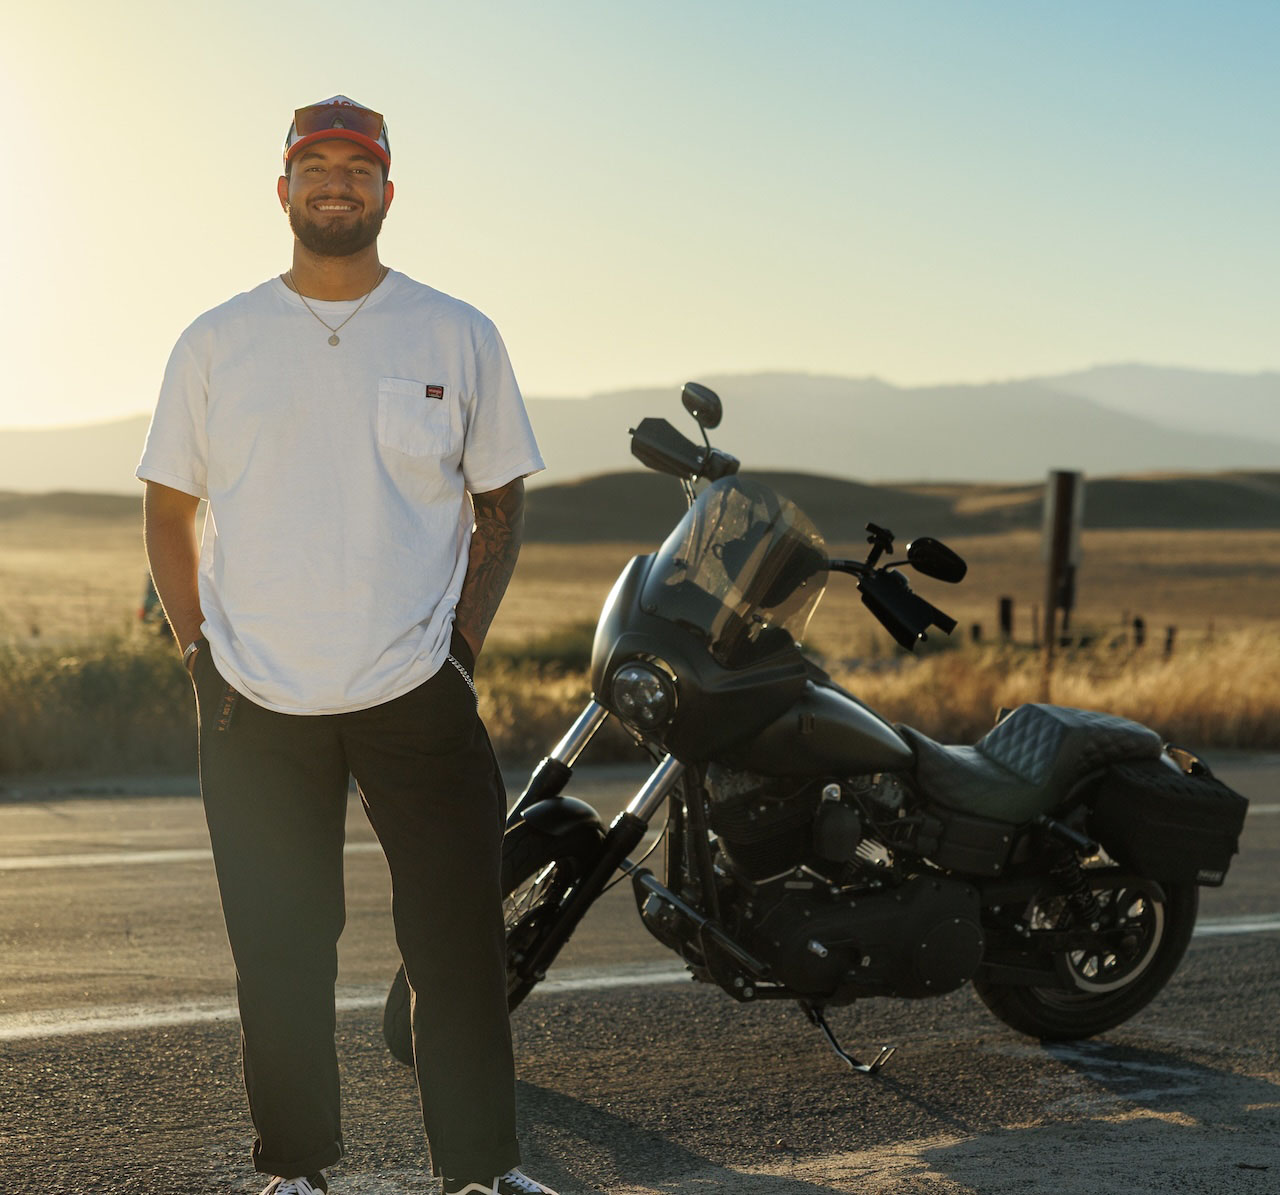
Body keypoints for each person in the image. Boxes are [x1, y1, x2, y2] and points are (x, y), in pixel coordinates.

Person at [138, 95, 556, 1195]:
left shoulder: (454, 332)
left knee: (458, 946)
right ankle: (295, 1173)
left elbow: (498, 504)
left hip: (416, 684)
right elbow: (167, 511)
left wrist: (461, 650)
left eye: (356, 167)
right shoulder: (217, 341)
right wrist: (199, 659)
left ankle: (477, 1171)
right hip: (253, 696)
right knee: (280, 952)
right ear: (282, 190)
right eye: (314, 166)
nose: (335, 183)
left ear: (386, 190)